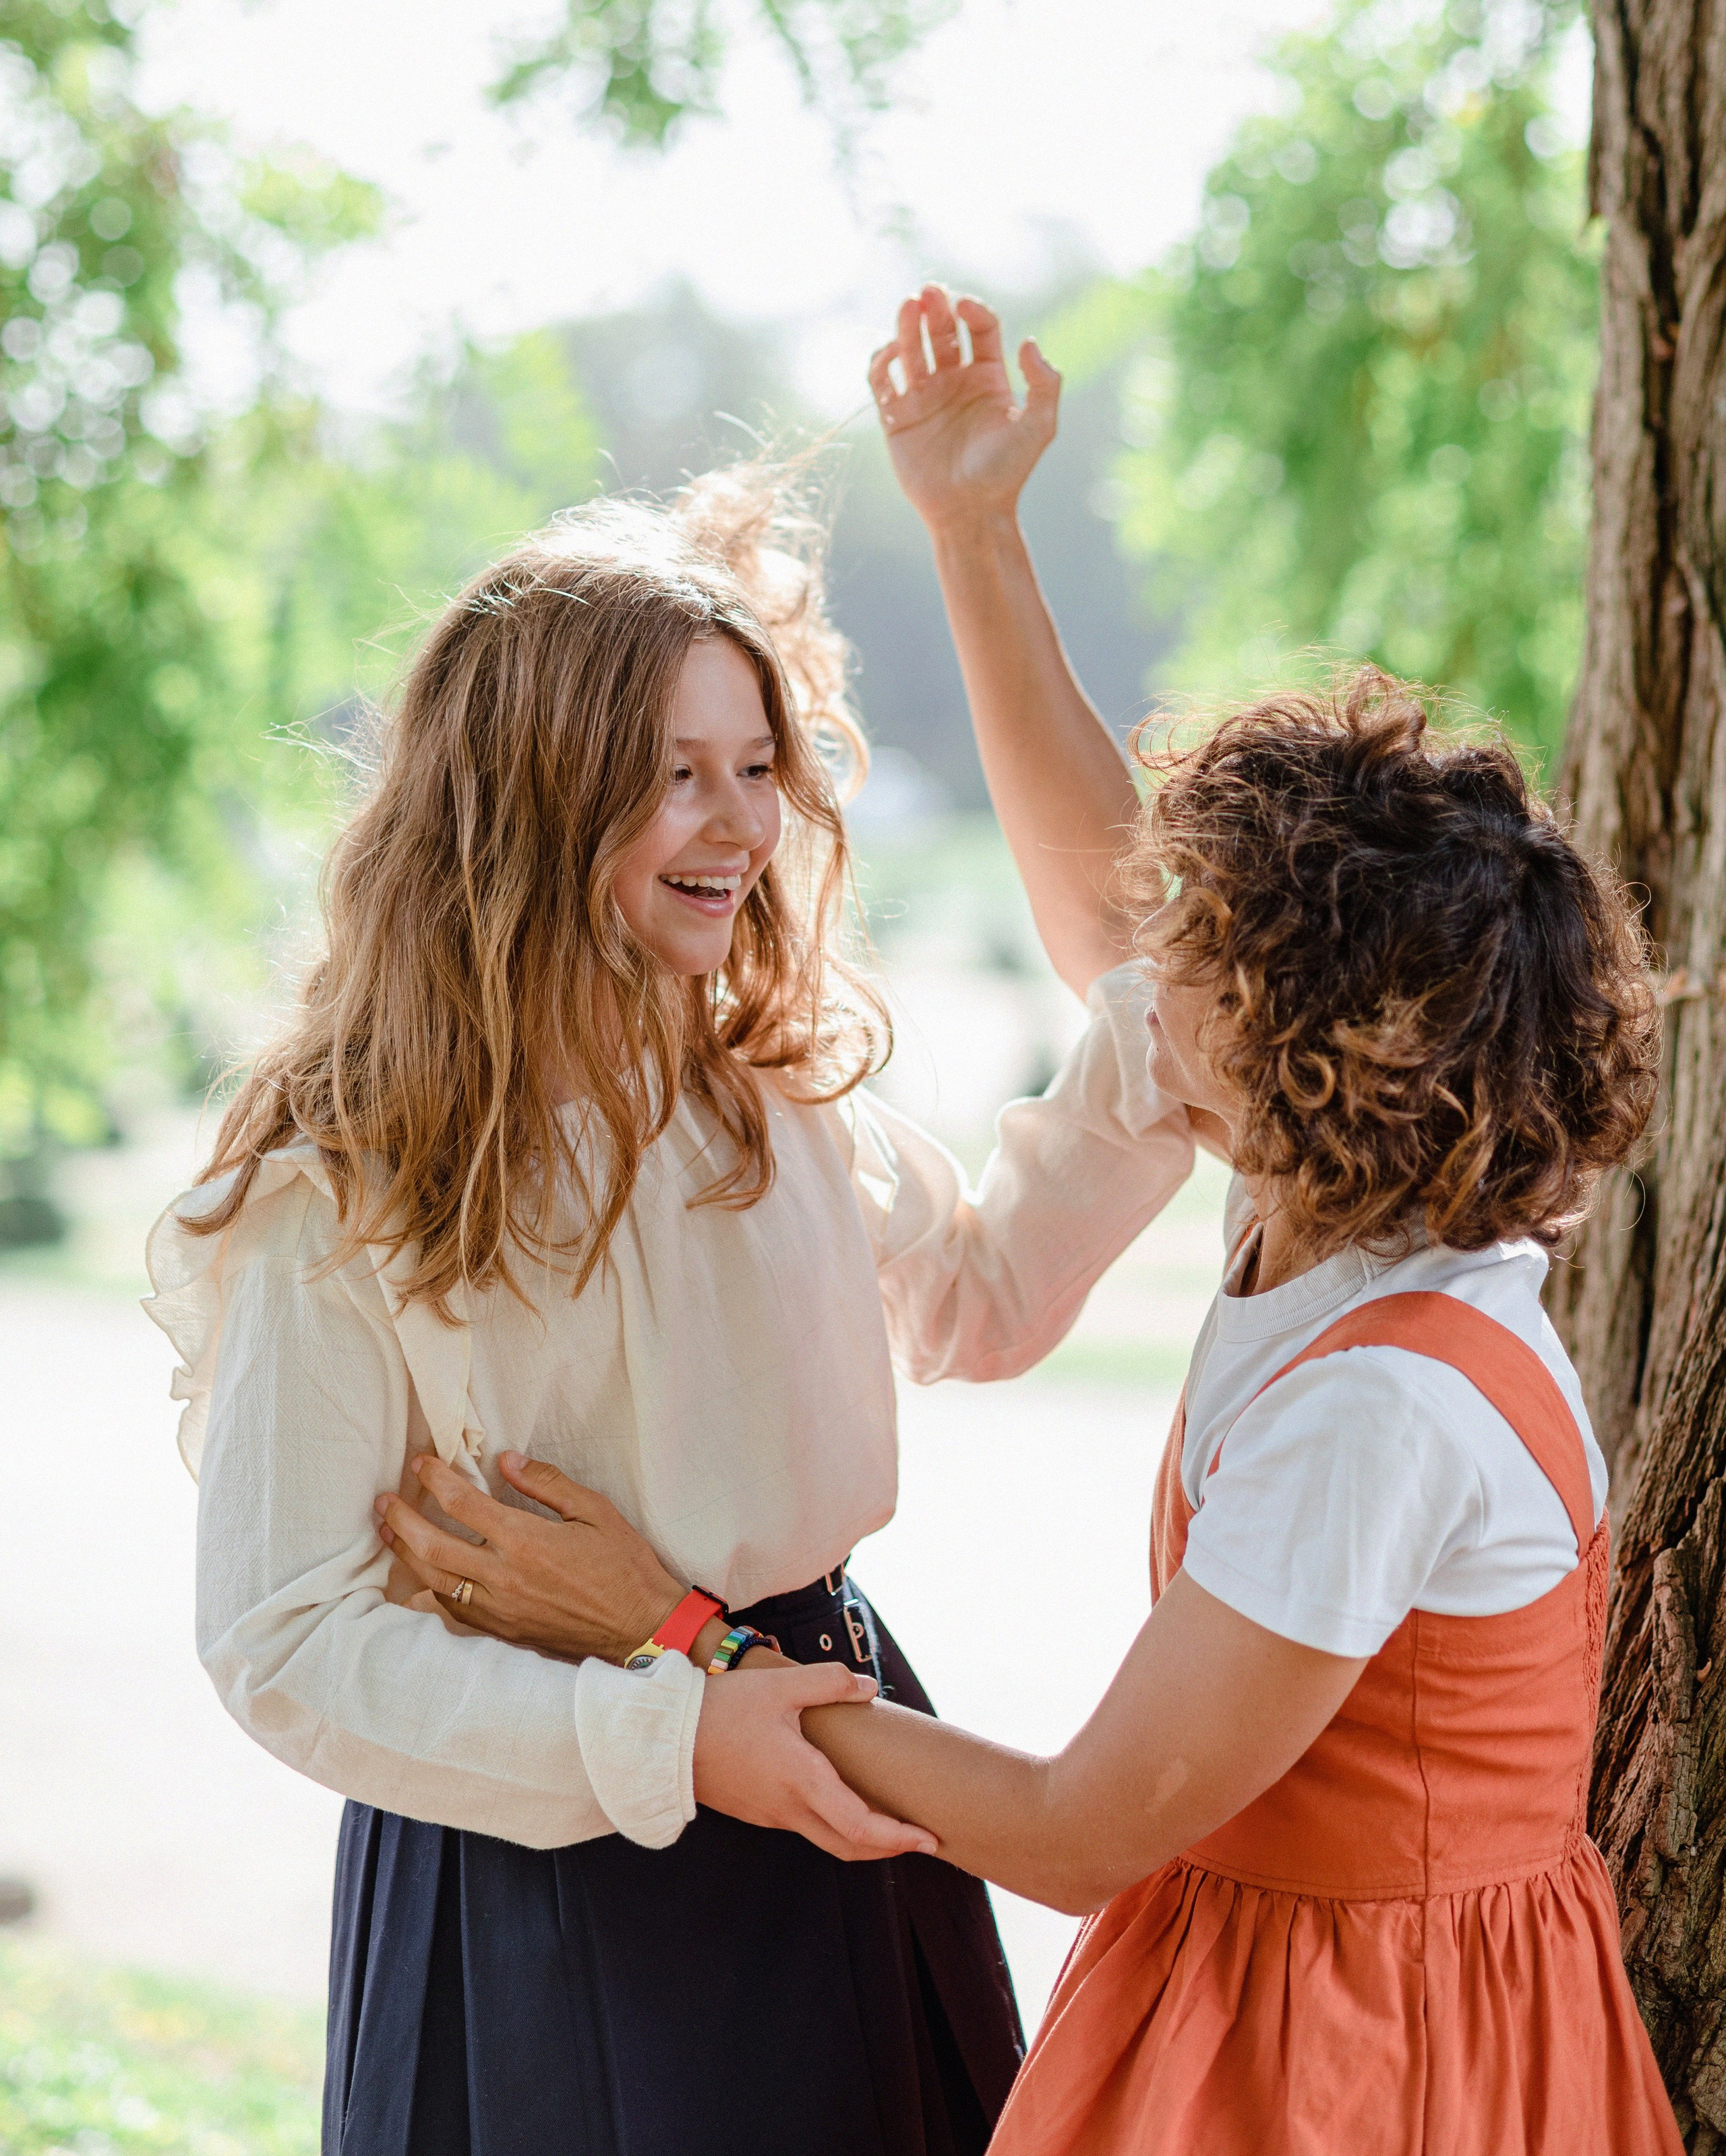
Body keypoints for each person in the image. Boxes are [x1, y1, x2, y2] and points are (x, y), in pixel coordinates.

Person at [389, 291, 1683, 2154]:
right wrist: (974, 528)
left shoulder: (1380, 1408)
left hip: (1368, 2062)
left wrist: (667, 1629)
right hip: (1291, 1975)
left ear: (1310, 1061)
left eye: (1204, 951)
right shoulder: (1355, 1212)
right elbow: (1106, 913)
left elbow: (1079, 1829)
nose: (1145, 975)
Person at [144, 461, 1201, 2156]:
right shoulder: (345, 1186)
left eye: (757, 767)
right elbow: (286, 1637)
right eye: (672, 774)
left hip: (834, 1757)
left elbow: (978, 1296)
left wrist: (1160, 1038)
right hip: (540, 1862)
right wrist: (671, 1734)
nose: (739, 824)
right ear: (529, 798)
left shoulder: (767, 1091)